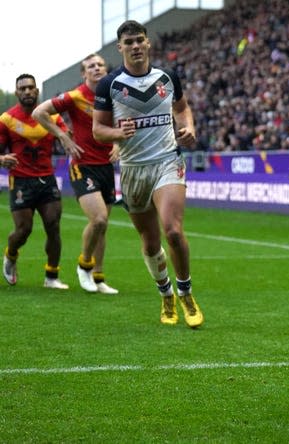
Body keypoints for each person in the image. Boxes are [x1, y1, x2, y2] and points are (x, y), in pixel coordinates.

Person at [92, 20, 203, 328]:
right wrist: (116, 132)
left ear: (148, 43)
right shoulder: (109, 85)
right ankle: (165, 293)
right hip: (132, 169)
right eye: (129, 42)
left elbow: (182, 108)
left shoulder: (167, 77)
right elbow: (98, 131)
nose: (136, 46)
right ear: (120, 48)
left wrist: (189, 127)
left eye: (140, 40)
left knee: (173, 231)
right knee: (151, 242)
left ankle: (186, 293)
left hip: (167, 160)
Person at [33, 53, 119, 294]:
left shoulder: (114, 95)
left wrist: (118, 145)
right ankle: (84, 266)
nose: (97, 68)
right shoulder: (76, 95)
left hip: (106, 167)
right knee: (99, 219)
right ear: (84, 74)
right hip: (83, 165)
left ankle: (99, 278)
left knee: (103, 226)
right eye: (91, 66)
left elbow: (122, 123)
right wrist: (61, 135)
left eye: (100, 64)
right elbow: (39, 112)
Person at [0, 74, 69, 289]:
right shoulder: (7, 120)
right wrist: (2, 159)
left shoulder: (52, 118)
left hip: (47, 179)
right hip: (20, 181)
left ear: (37, 91)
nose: (27, 91)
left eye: (31, 88)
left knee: (53, 225)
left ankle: (51, 276)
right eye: (23, 88)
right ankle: (11, 256)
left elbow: (68, 138)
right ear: (17, 92)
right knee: (23, 230)